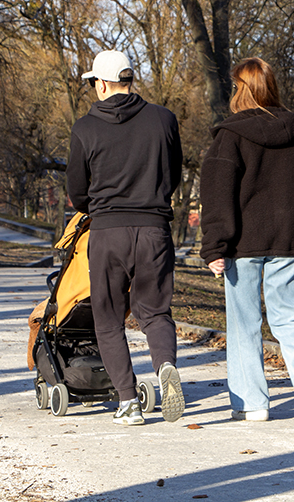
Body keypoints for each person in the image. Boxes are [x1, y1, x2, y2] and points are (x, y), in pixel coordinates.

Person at [200, 57, 294, 423]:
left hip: (243, 243)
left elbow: (217, 192)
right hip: (288, 239)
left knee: (244, 323)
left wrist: (215, 245)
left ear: (240, 90)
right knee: (288, 314)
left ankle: (252, 404)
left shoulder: (231, 135)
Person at [66, 50, 185, 425]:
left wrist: (97, 205)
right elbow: (175, 173)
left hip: (107, 231)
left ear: (100, 84)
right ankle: (165, 365)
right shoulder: (164, 119)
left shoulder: (85, 128)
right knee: (154, 311)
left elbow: (77, 191)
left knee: (109, 318)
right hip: (153, 229)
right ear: (129, 79)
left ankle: (128, 403)